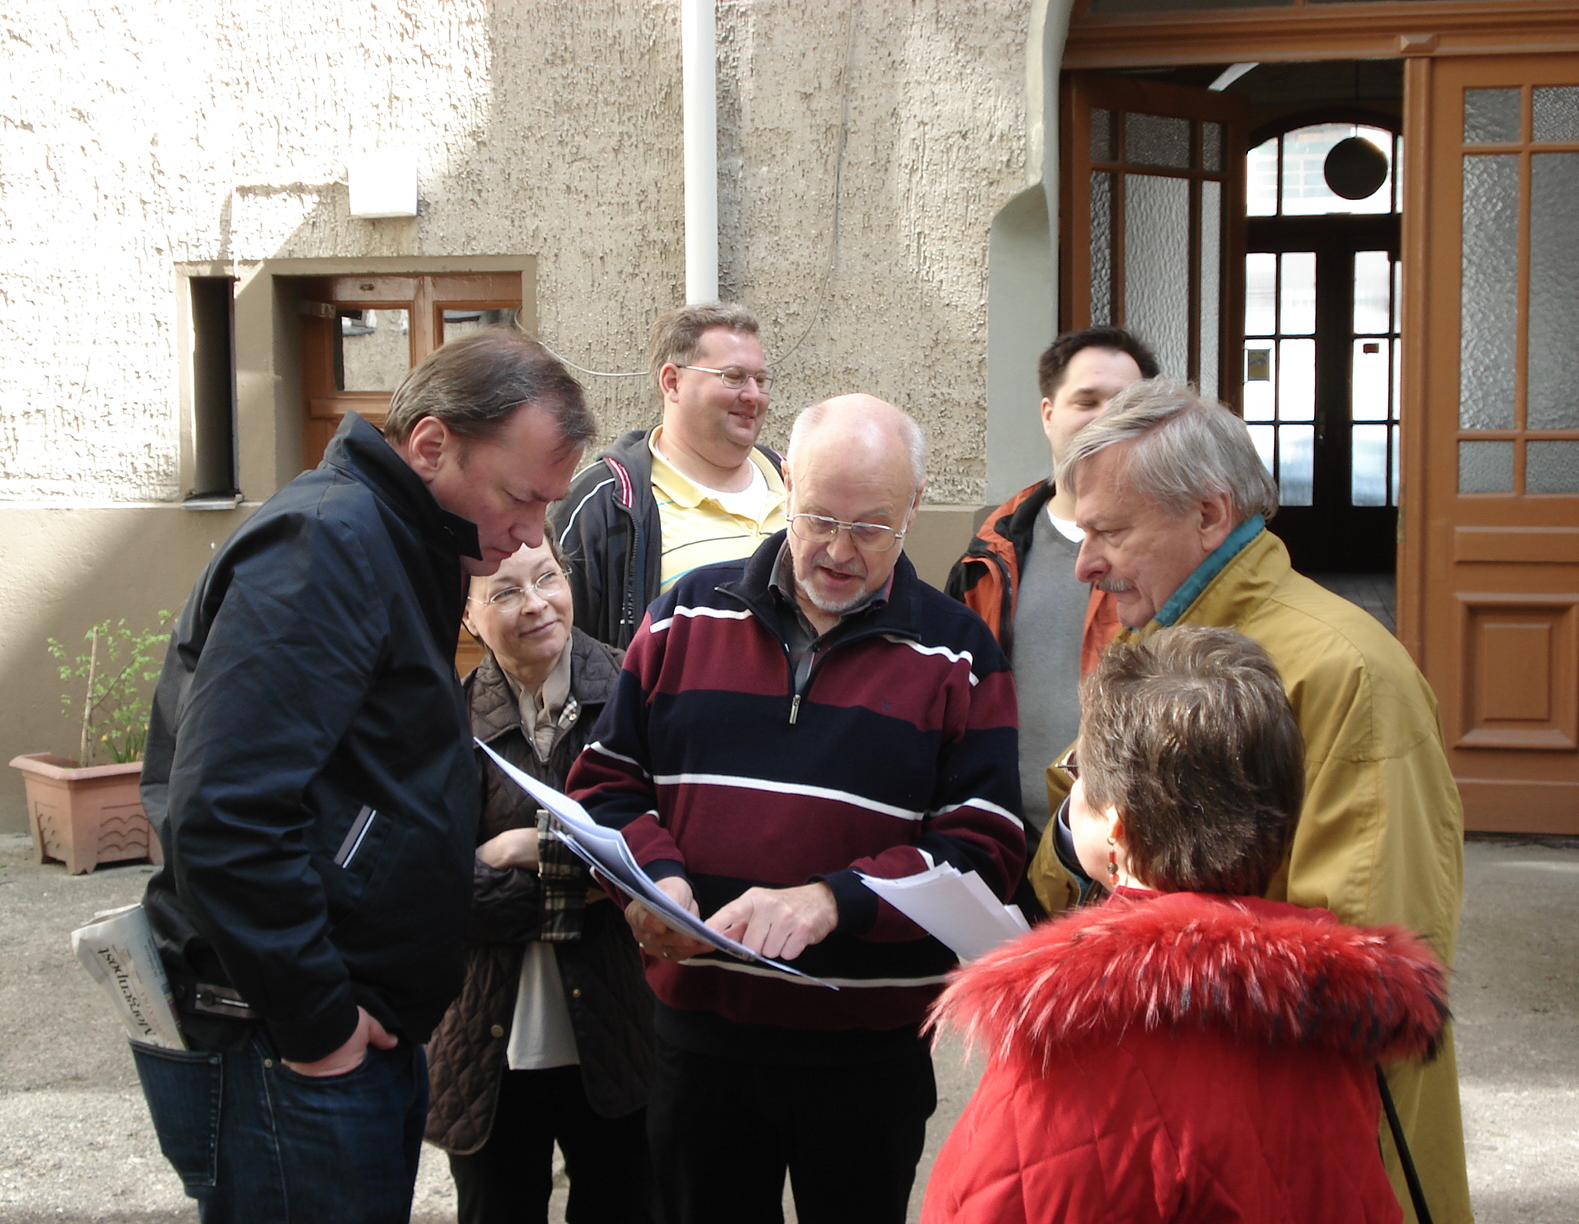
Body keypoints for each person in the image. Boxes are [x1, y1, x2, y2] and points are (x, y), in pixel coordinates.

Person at [135, 329, 594, 1224]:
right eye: (520, 497)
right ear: (431, 445)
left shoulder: (392, 540)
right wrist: (321, 1028)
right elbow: (226, 815)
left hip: (344, 1030)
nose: (529, 535)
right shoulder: (327, 545)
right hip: (289, 1047)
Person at [566, 394, 1025, 1224]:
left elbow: (985, 847)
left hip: (866, 1057)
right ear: (786, 489)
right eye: (819, 518)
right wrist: (652, 882)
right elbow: (605, 784)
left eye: (872, 527)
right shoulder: (683, 615)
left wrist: (831, 902)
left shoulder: (960, 653)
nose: (840, 552)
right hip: (697, 1044)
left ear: (915, 507)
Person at [1030, 377, 1471, 1224]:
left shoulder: (1347, 674)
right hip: (1179, 1119)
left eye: (1110, 533)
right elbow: (1070, 846)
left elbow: (1366, 979)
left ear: (1208, 513)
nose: (1085, 566)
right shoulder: (1151, 644)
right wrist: (1073, 845)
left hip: (1306, 1150)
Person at [922, 626, 1450, 1224]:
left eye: (1079, 772)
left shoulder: (1071, 1026)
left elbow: (981, 1202)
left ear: (1117, 826)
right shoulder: (1333, 1008)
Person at [424, 529, 655, 1224]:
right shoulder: (444, 718)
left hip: (622, 1026)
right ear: (468, 616)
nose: (536, 603)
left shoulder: (632, 695)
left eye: (547, 577)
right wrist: (590, 884)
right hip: (488, 1038)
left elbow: (656, 855)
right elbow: (433, 890)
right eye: (505, 592)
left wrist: (524, 846)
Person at [945, 326, 1158, 840]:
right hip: (1003, 843)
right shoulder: (988, 556)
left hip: (1133, 850)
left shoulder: (1174, 557)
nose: (1106, 418)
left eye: (1125, 403)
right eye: (1087, 401)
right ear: (1048, 414)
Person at [552, 301, 787, 647]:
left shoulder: (795, 483)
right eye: (734, 377)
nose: (754, 395)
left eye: (761, 380)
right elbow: (557, 648)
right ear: (672, 382)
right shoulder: (602, 503)